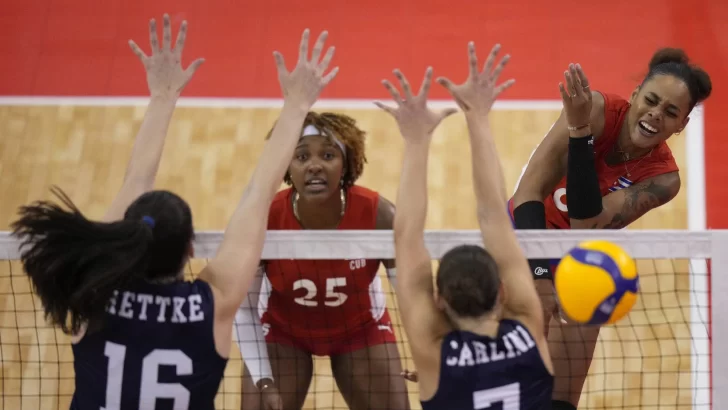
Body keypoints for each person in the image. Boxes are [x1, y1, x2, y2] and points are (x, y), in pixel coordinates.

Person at [10, 17, 339, 410]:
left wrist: (162, 96)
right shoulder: (210, 306)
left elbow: (135, 180)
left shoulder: (91, 292)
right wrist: (297, 106)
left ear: (125, 240)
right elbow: (259, 192)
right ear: (189, 249)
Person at [509, 48, 712, 410]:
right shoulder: (598, 110)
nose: (655, 114)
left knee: (560, 397)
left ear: (681, 125)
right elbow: (529, 191)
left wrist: (579, 132)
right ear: (634, 95)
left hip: (580, 258)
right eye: (650, 100)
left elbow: (584, 223)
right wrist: (538, 274)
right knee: (502, 373)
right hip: (526, 233)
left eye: (670, 113)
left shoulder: (663, 180)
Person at [376, 42, 554, 409]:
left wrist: (415, 139)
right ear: (502, 293)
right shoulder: (528, 330)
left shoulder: (434, 354)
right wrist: (477, 116)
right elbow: (494, 216)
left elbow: (407, 236)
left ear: (439, 302)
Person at [234, 111, 409, 410]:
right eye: (301, 157)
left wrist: (424, 353)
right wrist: (263, 379)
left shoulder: (378, 215)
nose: (314, 166)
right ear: (287, 166)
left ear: (346, 164)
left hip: (360, 330)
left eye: (328, 155)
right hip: (283, 332)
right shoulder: (265, 217)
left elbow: (411, 297)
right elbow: (243, 309)